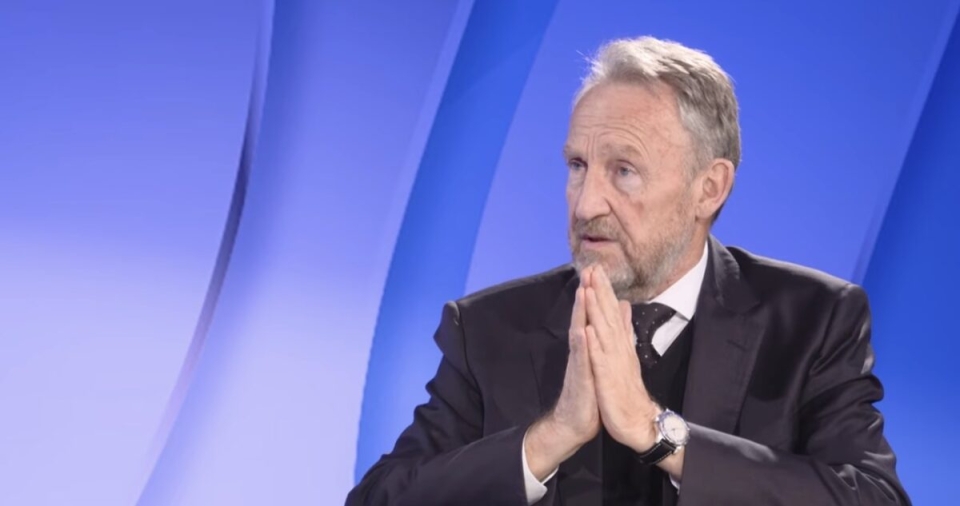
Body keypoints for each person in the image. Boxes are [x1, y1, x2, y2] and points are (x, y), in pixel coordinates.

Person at [345, 36, 910, 506]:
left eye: (624, 171)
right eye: (578, 165)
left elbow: (872, 497)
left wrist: (656, 431)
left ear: (708, 188)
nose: (586, 203)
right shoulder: (490, 329)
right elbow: (378, 498)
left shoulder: (812, 322)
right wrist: (549, 437)